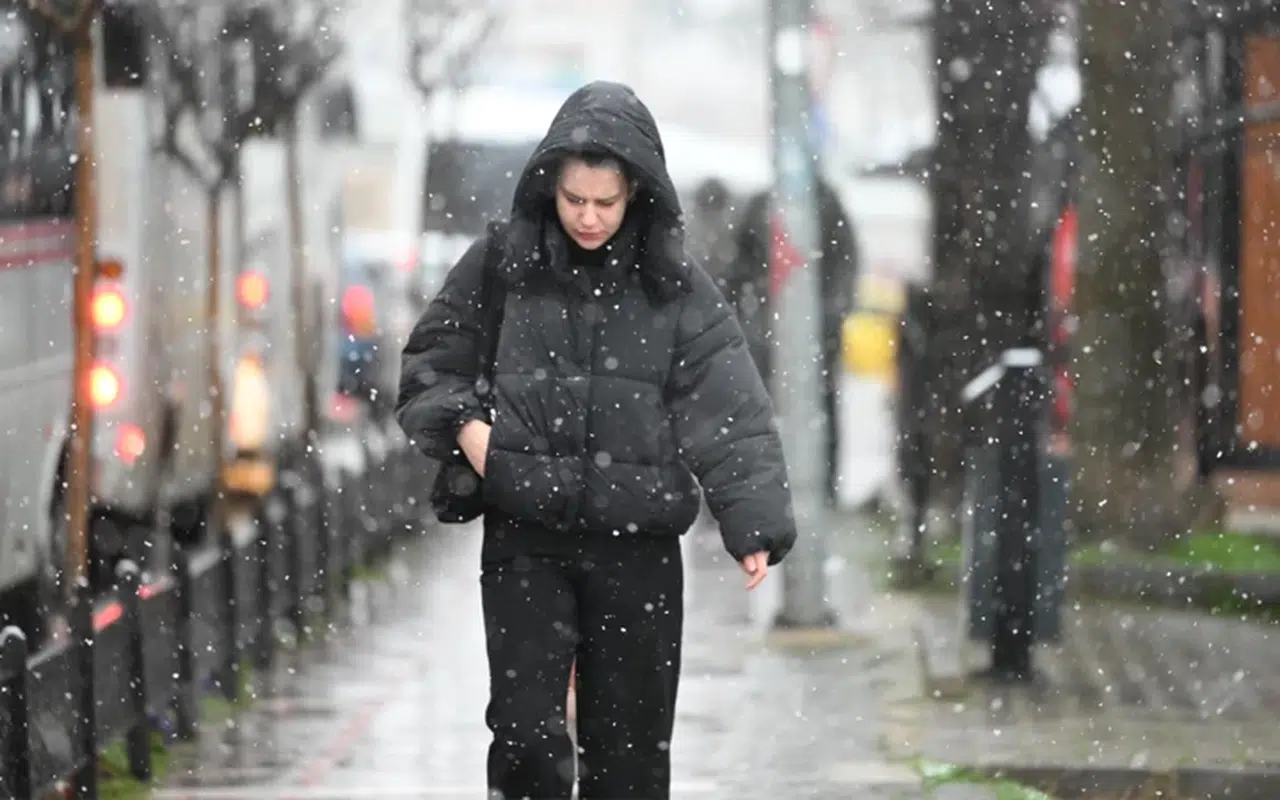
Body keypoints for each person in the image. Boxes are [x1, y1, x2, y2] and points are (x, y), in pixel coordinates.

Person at [395, 81, 797, 800]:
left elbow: (727, 406)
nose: (586, 217)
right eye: (573, 198)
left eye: (604, 203)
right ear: (550, 185)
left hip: (638, 548)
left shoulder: (675, 286)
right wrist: (473, 434)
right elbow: (431, 363)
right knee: (523, 739)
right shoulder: (503, 263)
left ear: (636, 194)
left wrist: (753, 521)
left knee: (631, 757)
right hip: (526, 538)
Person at [731, 179, 859, 507]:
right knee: (763, 408)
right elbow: (740, 267)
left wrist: (830, 314)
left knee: (821, 407)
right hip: (768, 332)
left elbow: (846, 263)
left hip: (816, 335)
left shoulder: (825, 204)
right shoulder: (764, 202)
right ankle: (763, 486)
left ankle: (822, 487)